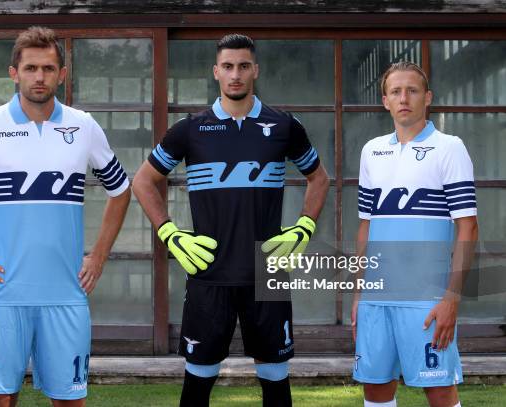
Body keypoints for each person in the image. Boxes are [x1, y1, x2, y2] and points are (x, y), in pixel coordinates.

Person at [0, 26, 130, 407]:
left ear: (62, 75)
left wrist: (99, 255)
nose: (40, 77)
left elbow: (120, 191)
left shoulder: (83, 126)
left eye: (49, 69)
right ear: (14, 72)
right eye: (32, 68)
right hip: (5, 294)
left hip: (66, 293)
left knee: (70, 401)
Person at [132, 34, 329, 407]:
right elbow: (143, 180)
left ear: (255, 70)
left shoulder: (284, 126)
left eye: (242, 66)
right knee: (198, 382)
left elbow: (319, 177)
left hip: (266, 268)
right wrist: (169, 232)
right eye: (227, 66)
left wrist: (304, 226)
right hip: (209, 270)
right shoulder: (191, 129)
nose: (235, 74)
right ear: (216, 72)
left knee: (275, 380)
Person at [351, 61, 478, 407]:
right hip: (377, 297)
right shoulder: (371, 151)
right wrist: (360, 294)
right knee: (375, 388)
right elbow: (367, 225)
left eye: (412, 90)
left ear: (428, 98)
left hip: (427, 298)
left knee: (438, 392)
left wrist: (451, 299)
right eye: (395, 91)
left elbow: (468, 227)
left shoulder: (449, 147)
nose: (404, 97)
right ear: (385, 101)